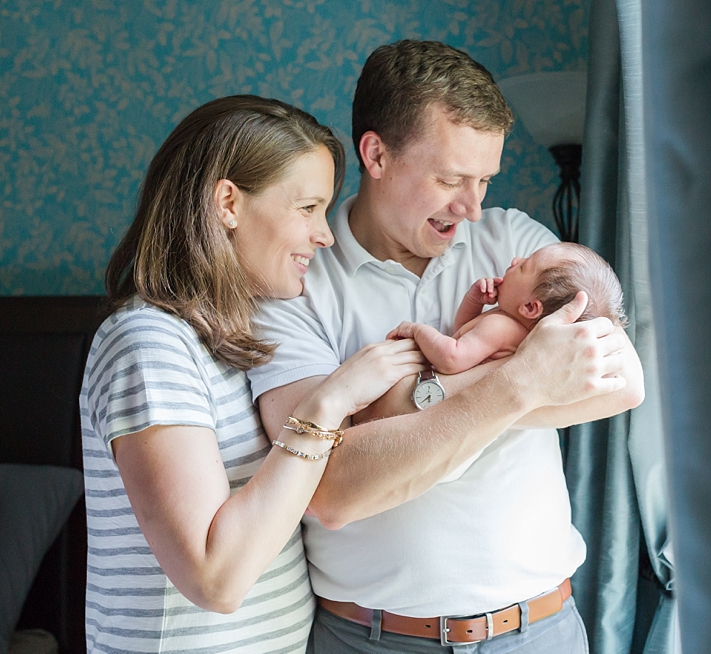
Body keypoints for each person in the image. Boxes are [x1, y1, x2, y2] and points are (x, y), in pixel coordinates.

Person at [248, 40, 644, 652]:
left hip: (540, 632)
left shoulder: (518, 244)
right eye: (450, 179)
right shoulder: (293, 280)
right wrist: (519, 381)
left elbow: (621, 381)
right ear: (376, 154)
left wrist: (390, 409)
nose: (474, 207)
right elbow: (328, 490)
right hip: (370, 640)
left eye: (485, 179)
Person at [80, 95, 429, 653]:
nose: (326, 234)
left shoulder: (230, 337)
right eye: (308, 207)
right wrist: (326, 403)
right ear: (228, 203)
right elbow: (214, 579)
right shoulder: (148, 342)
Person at [387, 242, 628, 374]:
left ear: (531, 308)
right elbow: (463, 331)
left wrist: (417, 330)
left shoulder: (500, 327)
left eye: (524, 266)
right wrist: (474, 301)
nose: (515, 260)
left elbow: (452, 357)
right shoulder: (511, 326)